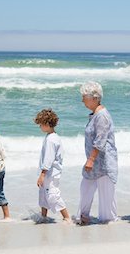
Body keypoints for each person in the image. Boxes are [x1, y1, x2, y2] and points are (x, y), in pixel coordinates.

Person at [77, 82, 118, 225]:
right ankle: (83, 217)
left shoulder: (102, 116)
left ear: (94, 98)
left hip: (103, 164)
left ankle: (108, 228)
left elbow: (100, 141)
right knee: (85, 189)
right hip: (95, 163)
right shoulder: (95, 114)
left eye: (84, 97)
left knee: (107, 206)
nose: (82, 100)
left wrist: (91, 160)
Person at [34, 108, 71, 223]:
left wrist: (42, 174)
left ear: (46, 124)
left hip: (51, 173)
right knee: (43, 194)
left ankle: (66, 217)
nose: (40, 127)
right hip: (49, 172)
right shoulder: (53, 136)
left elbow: (49, 159)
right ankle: (43, 216)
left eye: (40, 124)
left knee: (52, 195)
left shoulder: (51, 140)